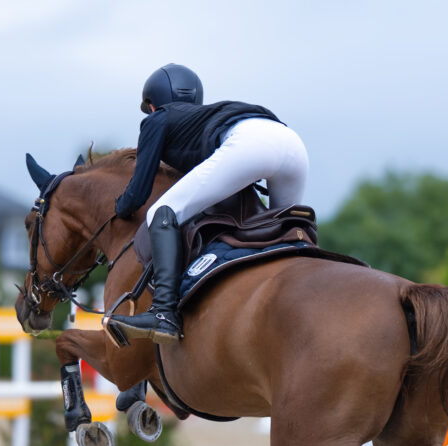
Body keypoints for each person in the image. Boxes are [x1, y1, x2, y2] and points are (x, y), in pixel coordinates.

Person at [108, 63, 309, 345]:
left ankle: (164, 313)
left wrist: (119, 208)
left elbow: (139, 192)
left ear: (152, 105)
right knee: (285, 233)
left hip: (249, 144)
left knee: (161, 212)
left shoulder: (157, 118)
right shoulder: (206, 116)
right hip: (292, 145)